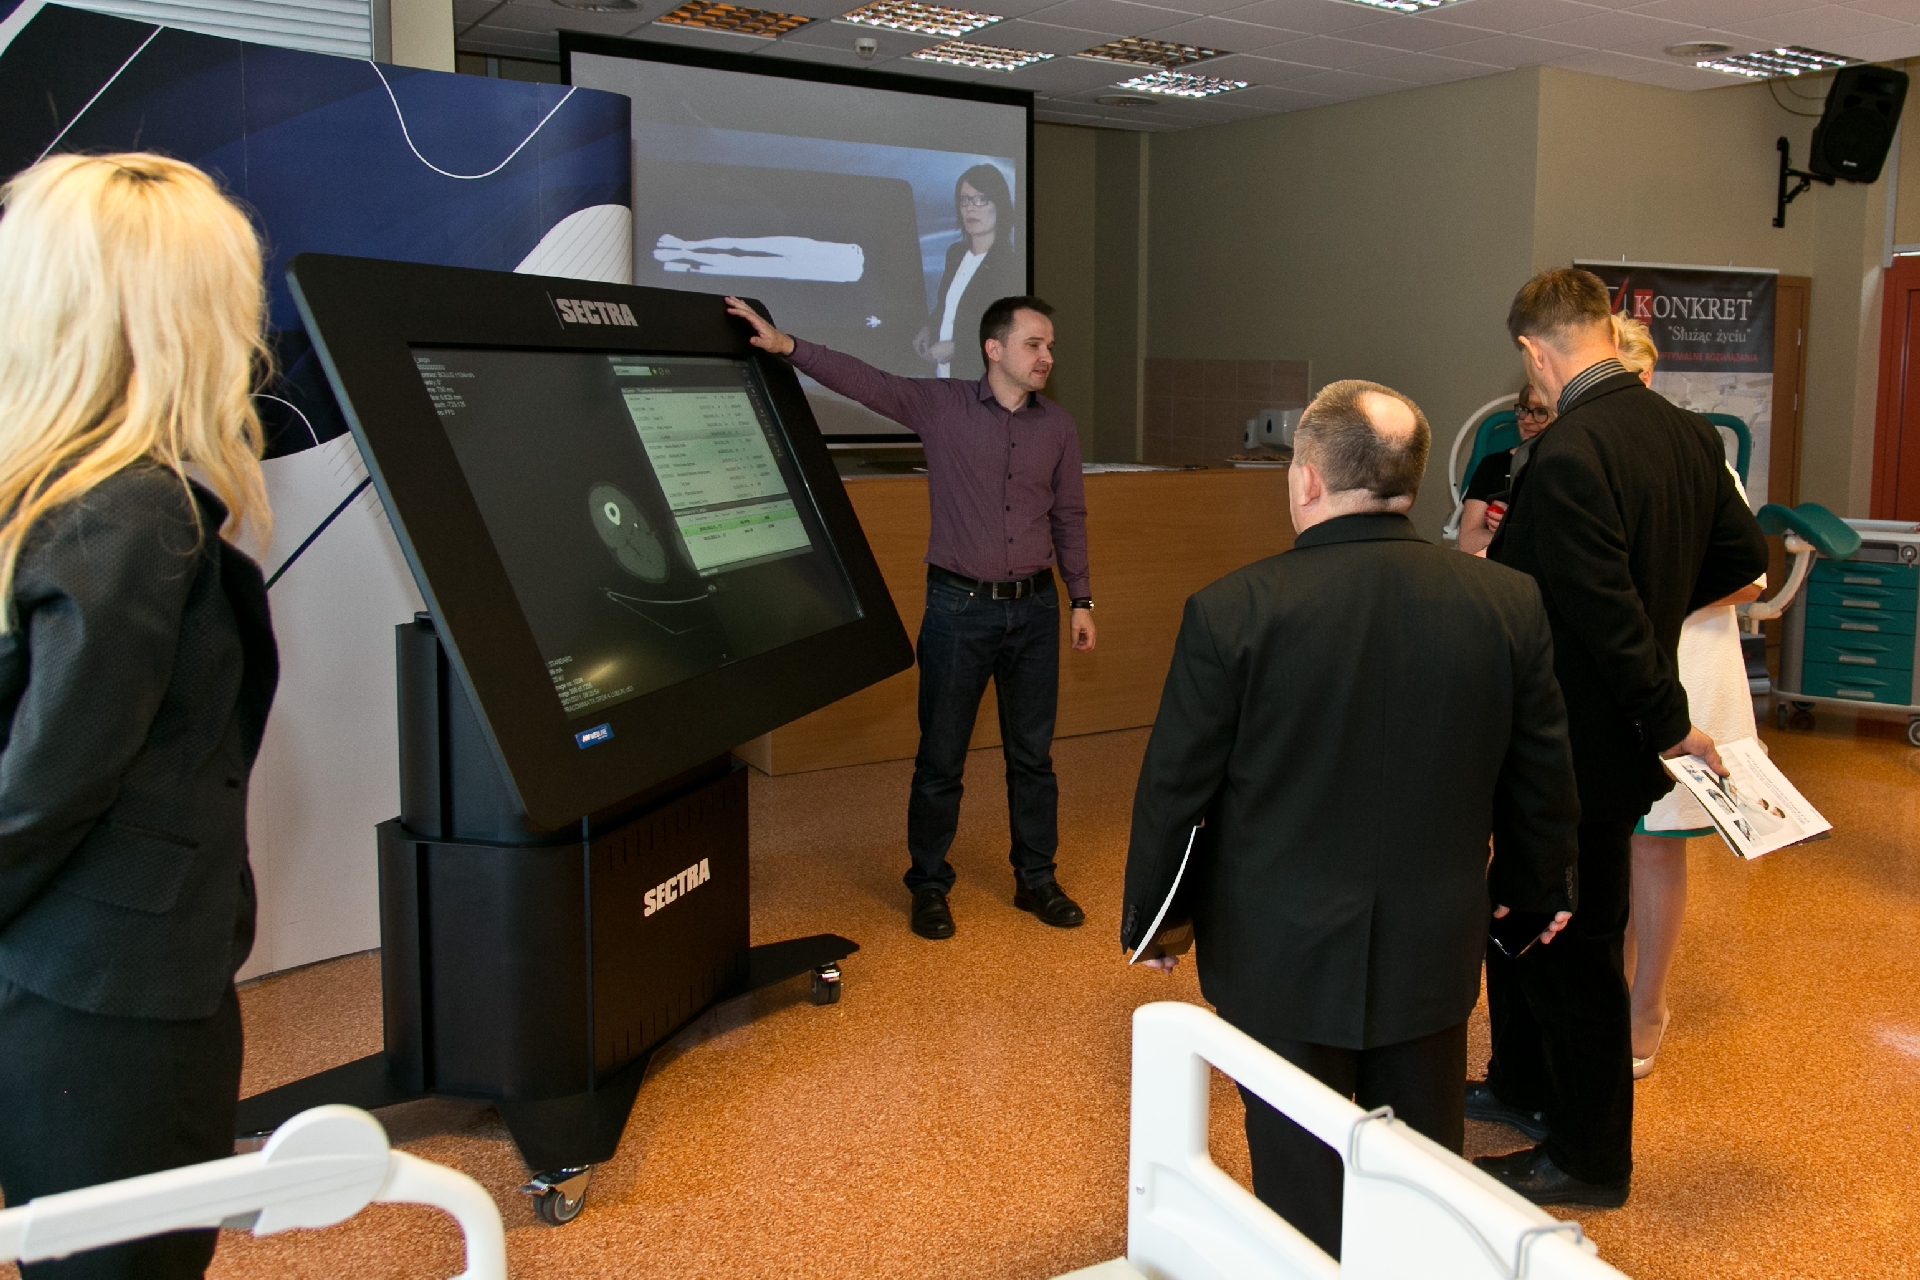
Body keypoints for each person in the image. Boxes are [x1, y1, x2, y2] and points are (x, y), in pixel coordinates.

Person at [1121, 379, 1580, 1260]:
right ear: (1410, 479)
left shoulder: (1232, 609)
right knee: (1421, 1170)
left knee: (1297, 1177)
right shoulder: (1507, 601)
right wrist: (1532, 891)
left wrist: (1158, 918)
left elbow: (1176, 789)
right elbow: (1540, 774)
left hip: (1278, 951)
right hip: (1432, 941)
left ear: (1307, 479)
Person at [0, 153, 279, 1278]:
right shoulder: (129, 515)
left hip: (68, 968)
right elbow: (49, 782)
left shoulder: (65, 492)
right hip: (109, 994)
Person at [1474, 269, 1767, 1208]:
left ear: (1534, 351)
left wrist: (1666, 713)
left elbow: (1598, 610)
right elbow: (1743, 557)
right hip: (1611, 742)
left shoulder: (1568, 449)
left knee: (1574, 944)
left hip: (1574, 742)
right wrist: (1659, 598)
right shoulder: (1687, 434)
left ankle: (1590, 1158)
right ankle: (1522, 1083)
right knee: (1522, 911)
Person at [725, 292, 1094, 940]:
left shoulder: (1057, 426)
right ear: (994, 348)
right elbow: (866, 381)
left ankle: (1037, 879)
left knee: (1033, 759)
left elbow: (1069, 517)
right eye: (1034, 344)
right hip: (958, 610)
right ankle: (928, 885)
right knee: (941, 759)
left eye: (1050, 347)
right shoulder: (940, 406)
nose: (1047, 357)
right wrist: (788, 347)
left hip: (1035, 611)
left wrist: (1081, 599)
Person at [1609, 313, 1765, 1079]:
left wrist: (1654, 597)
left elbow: (1750, 576)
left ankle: (1648, 1003)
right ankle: (1603, 993)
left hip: (1685, 669)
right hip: (1612, 673)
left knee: (1654, 841)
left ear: (1647, 378)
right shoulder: (1586, 455)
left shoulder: (1699, 458)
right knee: (1603, 840)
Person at [913, 165, 1023, 381]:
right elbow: (946, 304)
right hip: (943, 376)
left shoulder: (1008, 265)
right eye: (965, 200)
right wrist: (928, 327)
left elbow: (1005, 333)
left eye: (981, 199)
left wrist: (957, 347)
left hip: (978, 379)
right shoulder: (955, 254)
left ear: (999, 205)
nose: (971, 208)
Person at [1457, 383, 1554, 555]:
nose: (1527, 420)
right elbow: (1467, 542)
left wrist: (1512, 530)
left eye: (1540, 412)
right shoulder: (1492, 465)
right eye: (1523, 410)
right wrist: (1509, 533)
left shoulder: (1561, 468)